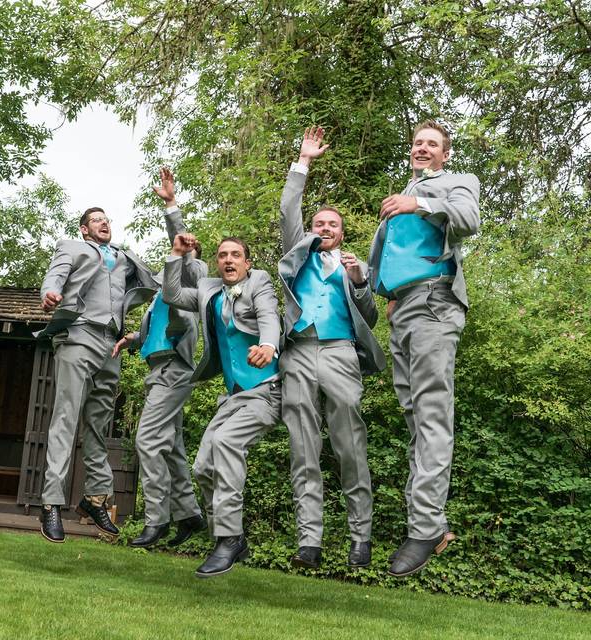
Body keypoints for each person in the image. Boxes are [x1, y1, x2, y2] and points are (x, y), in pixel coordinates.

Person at [367, 120, 480, 576]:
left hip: (435, 304)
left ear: (445, 154)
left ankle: (427, 526)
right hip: (407, 310)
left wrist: (419, 203)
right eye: (417, 142)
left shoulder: (457, 183)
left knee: (432, 415)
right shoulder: (401, 196)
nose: (422, 148)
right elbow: (393, 259)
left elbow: (468, 221)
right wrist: (389, 294)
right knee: (415, 417)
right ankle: (426, 523)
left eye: (432, 144)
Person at [277, 127, 386, 570]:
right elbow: (288, 209)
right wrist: (303, 162)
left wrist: (360, 282)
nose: (324, 228)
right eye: (319, 223)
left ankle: (361, 537)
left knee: (349, 444)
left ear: (342, 233)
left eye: (332, 224)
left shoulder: (353, 266)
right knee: (304, 447)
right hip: (299, 351)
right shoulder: (296, 253)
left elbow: (372, 319)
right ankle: (310, 542)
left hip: (341, 353)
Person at [163, 233, 281, 578]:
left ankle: (227, 538)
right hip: (232, 397)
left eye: (236, 255)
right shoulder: (209, 290)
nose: (228, 260)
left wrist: (269, 345)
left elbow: (270, 316)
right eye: (222, 255)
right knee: (202, 467)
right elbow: (171, 293)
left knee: (227, 443)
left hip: (266, 390)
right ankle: (233, 538)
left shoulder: (259, 282)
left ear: (247, 262)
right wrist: (175, 254)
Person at [36, 209, 157, 543]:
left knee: (98, 424)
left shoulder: (123, 258)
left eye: (108, 219)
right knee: (66, 416)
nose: (105, 223)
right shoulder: (72, 247)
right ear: (84, 229)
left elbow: (157, 288)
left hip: (111, 343)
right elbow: (53, 279)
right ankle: (51, 503)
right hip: (79, 334)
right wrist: (49, 295)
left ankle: (94, 497)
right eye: (97, 219)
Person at [112, 168, 208, 548]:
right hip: (160, 368)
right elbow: (158, 330)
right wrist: (132, 339)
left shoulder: (192, 278)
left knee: (148, 441)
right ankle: (189, 514)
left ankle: (157, 521)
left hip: (173, 372)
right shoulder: (161, 296)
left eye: (187, 248)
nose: (183, 248)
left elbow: (181, 248)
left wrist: (172, 207)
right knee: (170, 445)